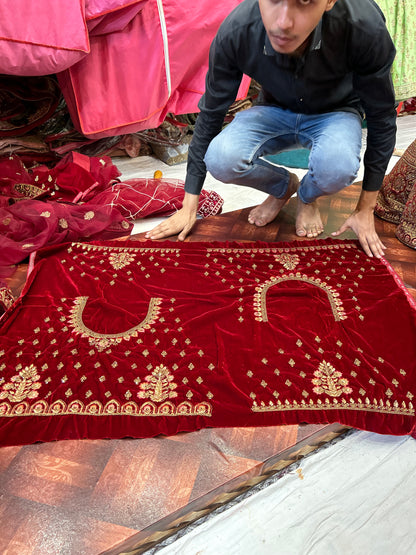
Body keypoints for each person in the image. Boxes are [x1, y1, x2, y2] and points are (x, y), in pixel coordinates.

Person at [146, 0, 397, 258]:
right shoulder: (238, 30)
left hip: (336, 111)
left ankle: (307, 197)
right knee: (220, 158)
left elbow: (382, 117)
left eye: (304, 2)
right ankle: (283, 186)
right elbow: (211, 113)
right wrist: (190, 204)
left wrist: (365, 210)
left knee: (338, 166)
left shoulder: (363, 26)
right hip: (274, 110)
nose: (283, 23)